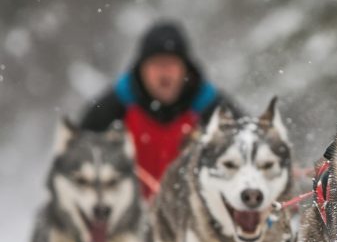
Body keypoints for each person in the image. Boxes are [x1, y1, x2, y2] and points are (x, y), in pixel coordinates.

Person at [81, 20, 234, 199]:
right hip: (128, 216)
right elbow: (77, 150)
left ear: (186, 69)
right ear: (141, 70)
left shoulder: (207, 104)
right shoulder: (118, 103)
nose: (164, 73)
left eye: (171, 64)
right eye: (156, 64)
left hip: (189, 218)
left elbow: (251, 143)